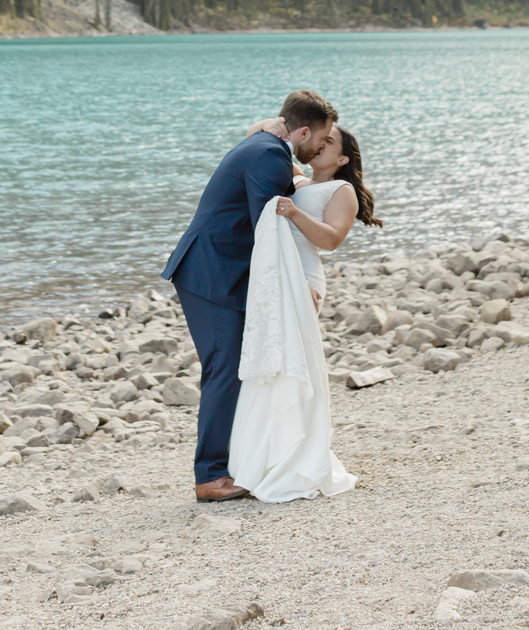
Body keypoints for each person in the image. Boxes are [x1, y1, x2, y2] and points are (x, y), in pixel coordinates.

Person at [163, 88, 338, 502]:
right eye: (322, 137)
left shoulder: (264, 145)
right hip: (210, 273)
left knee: (239, 366)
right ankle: (208, 476)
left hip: (223, 272)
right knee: (223, 368)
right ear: (305, 130)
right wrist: (297, 289)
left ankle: (237, 461)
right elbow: (268, 228)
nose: (320, 146)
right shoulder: (269, 154)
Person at [227, 121, 382, 502]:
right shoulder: (298, 181)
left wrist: (295, 215)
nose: (321, 144)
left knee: (296, 363)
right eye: (321, 137)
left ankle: (298, 455)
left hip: (305, 281)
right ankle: (270, 454)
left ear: (342, 157)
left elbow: (331, 239)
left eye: (330, 142)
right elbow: (259, 138)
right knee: (275, 358)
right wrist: (264, 124)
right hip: (277, 279)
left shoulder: (342, 190)